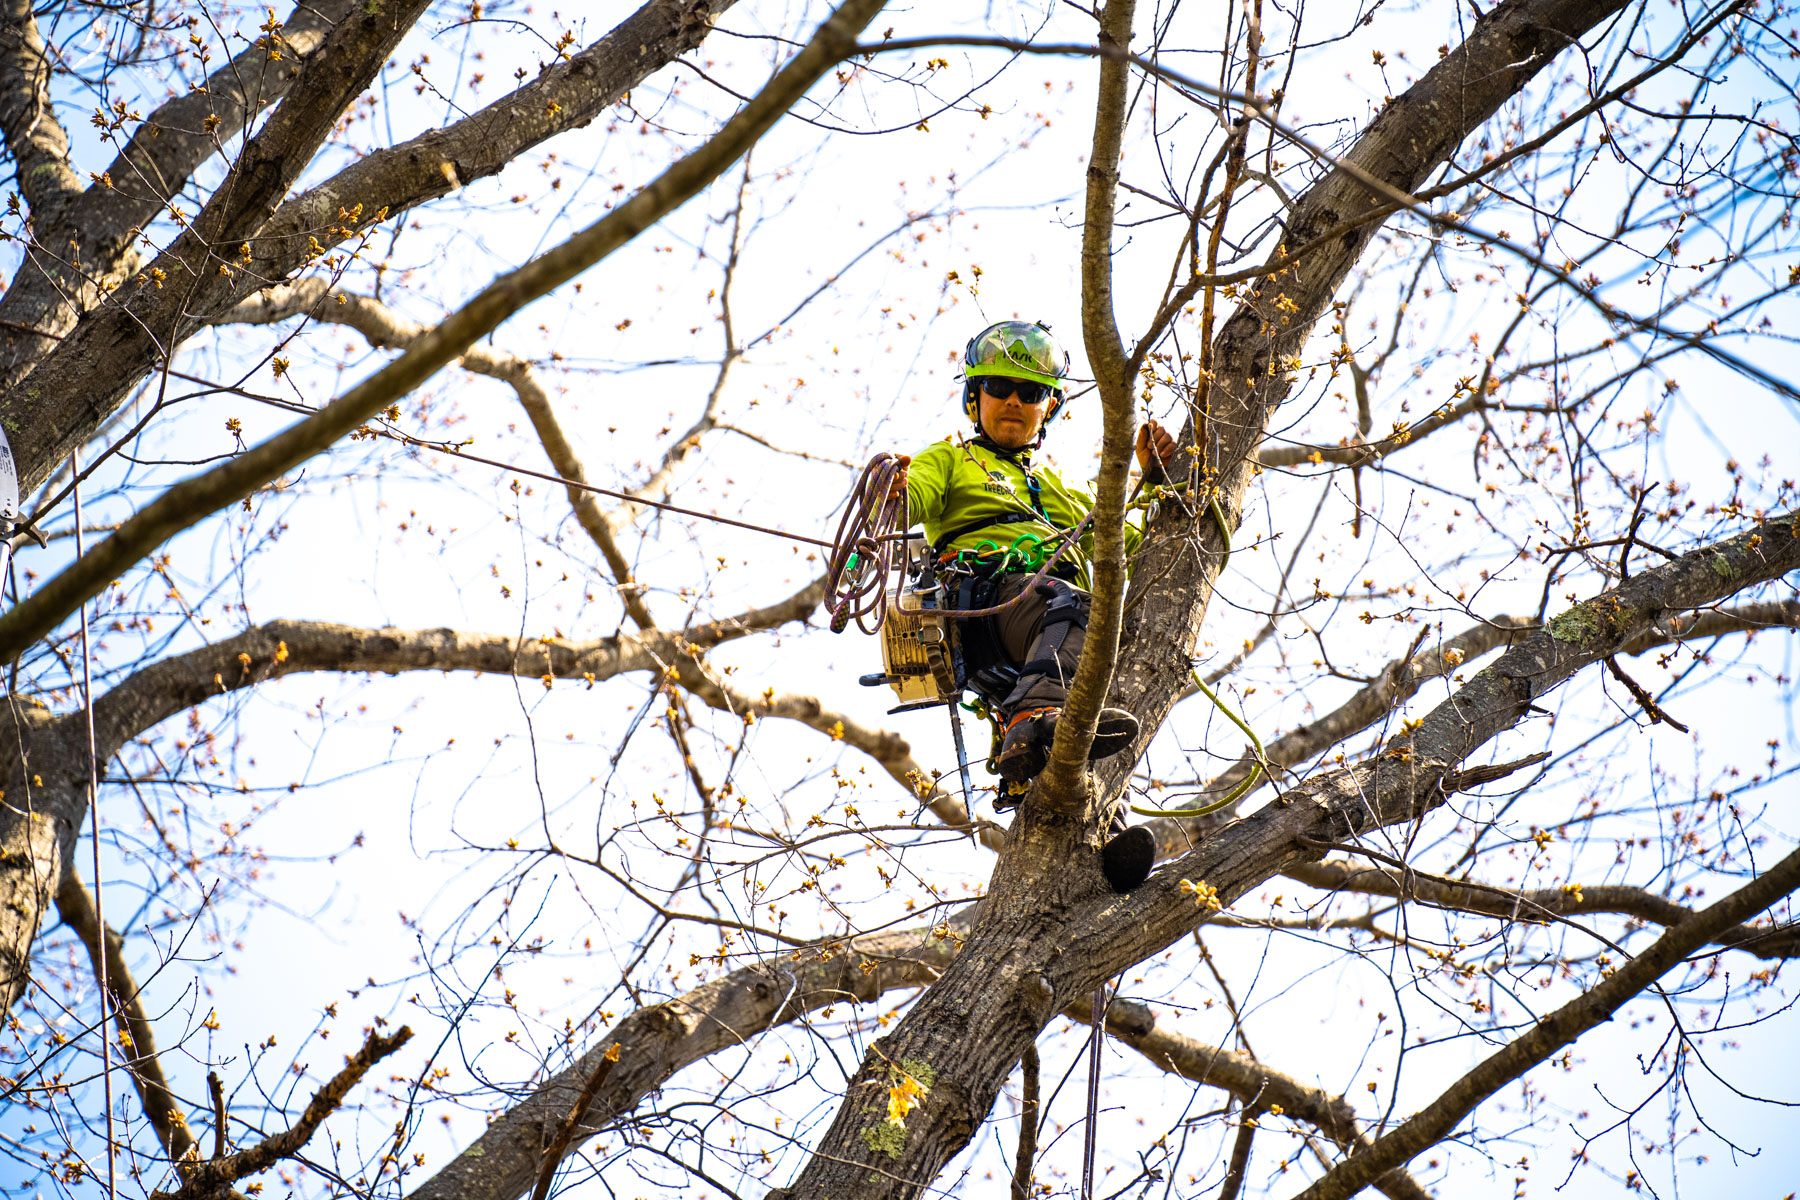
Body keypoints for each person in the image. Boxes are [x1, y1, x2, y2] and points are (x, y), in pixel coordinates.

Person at [890, 320, 1174, 892]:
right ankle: (1029, 720)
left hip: (1042, 640)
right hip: (986, 605)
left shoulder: (1063, 492)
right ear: (976, 398)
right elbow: (909, 499)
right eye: (999, 387)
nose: (1014, 400)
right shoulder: (950, 459)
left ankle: (1105, 839)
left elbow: (1136, 553)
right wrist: (894, 490)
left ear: (1049, 407)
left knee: (1082, 720)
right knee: (1075, 609)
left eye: (1031, 392)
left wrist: (1156, 483)